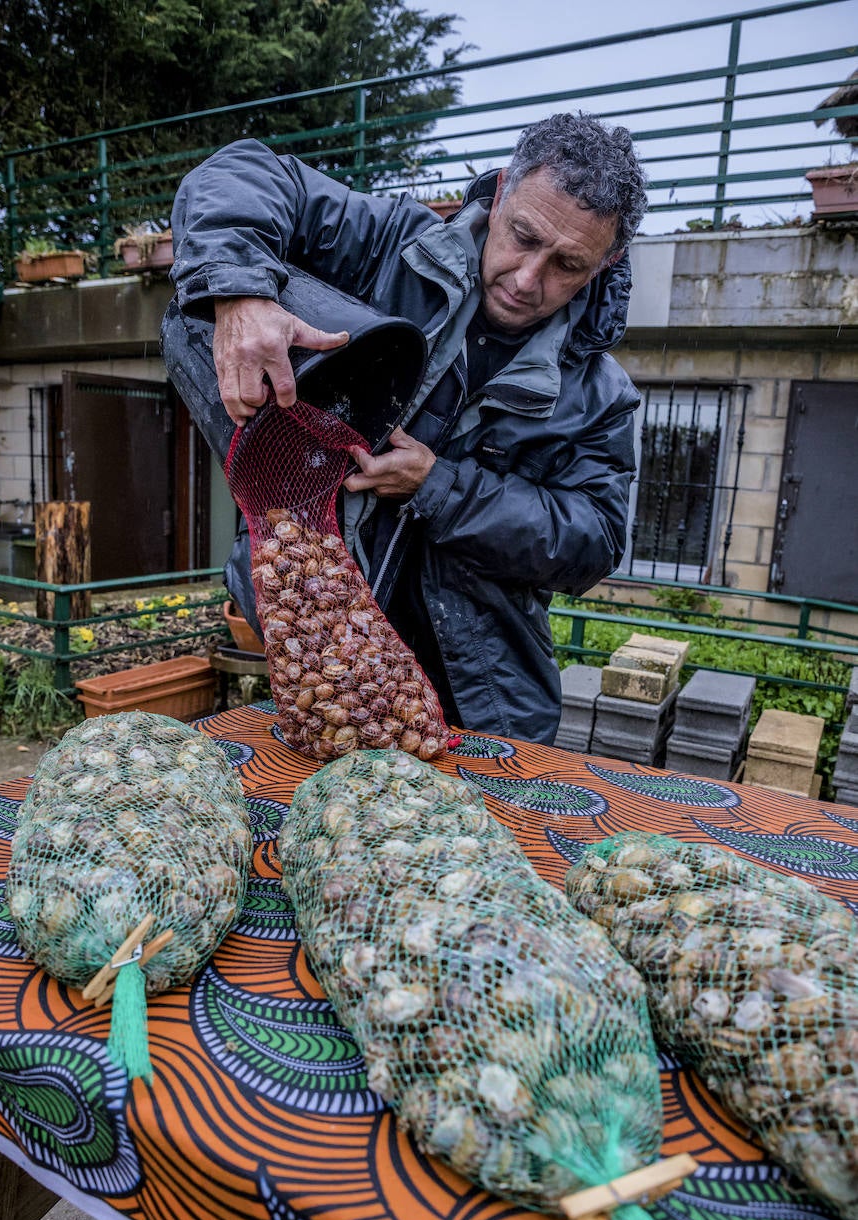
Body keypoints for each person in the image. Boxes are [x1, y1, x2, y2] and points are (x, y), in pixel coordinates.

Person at [163, 111, 648, 745]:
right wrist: (239, 291)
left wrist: (439, 487)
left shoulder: (601, 394)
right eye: (523, 236)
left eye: (568, 265)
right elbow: (241, 172)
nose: (528, 280)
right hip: (328, 670)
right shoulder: (390, 243)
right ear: (499, 193)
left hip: (485, 703)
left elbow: (595, 540)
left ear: (606, 261)